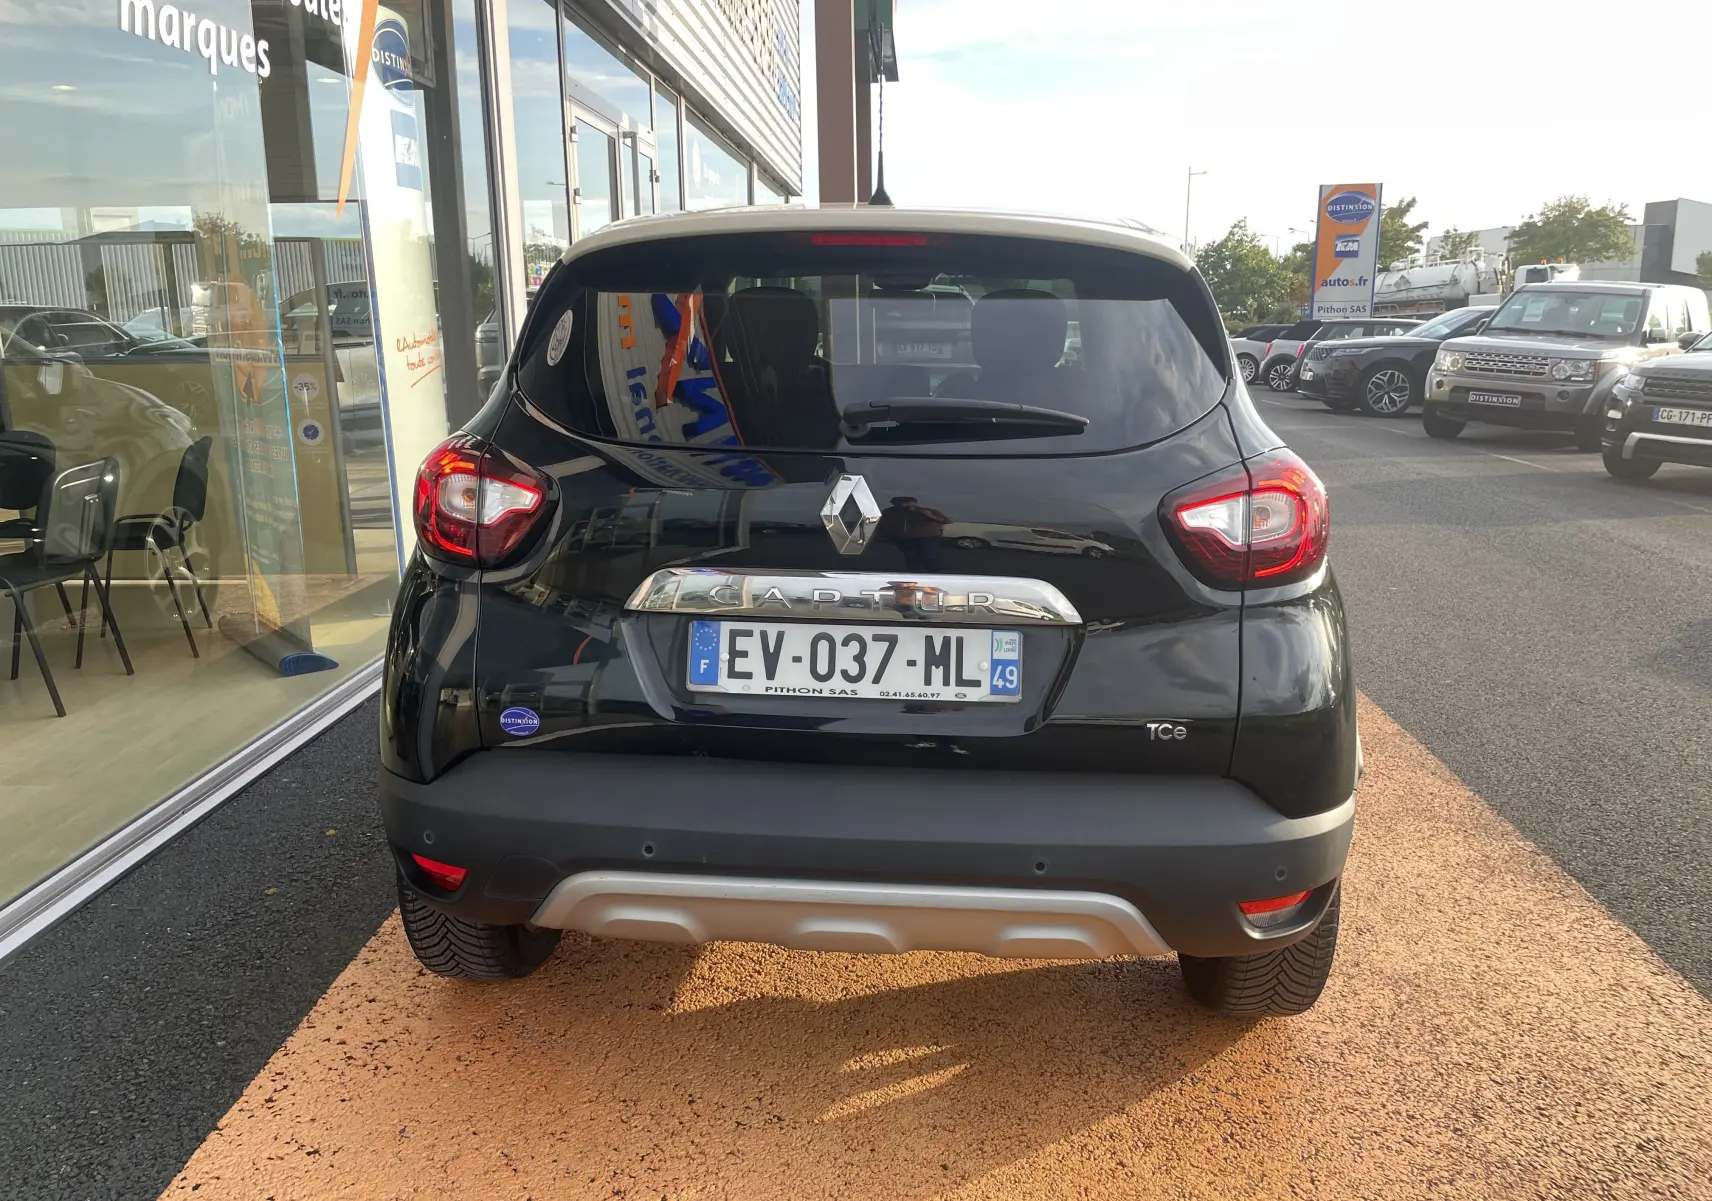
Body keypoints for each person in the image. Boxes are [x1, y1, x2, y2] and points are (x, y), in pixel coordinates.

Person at [877, 495, 949, 571]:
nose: (903, 505)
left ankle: (935, 572)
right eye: (900, 503)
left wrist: (930, 516)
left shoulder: (925, 511)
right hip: (904, 537)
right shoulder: (889, 512)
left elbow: (946, 521)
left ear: (914, 503)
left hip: (928, 536)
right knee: (911, 556)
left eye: (907, 503)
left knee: (929, 556)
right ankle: (915, 572)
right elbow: (882, 523)